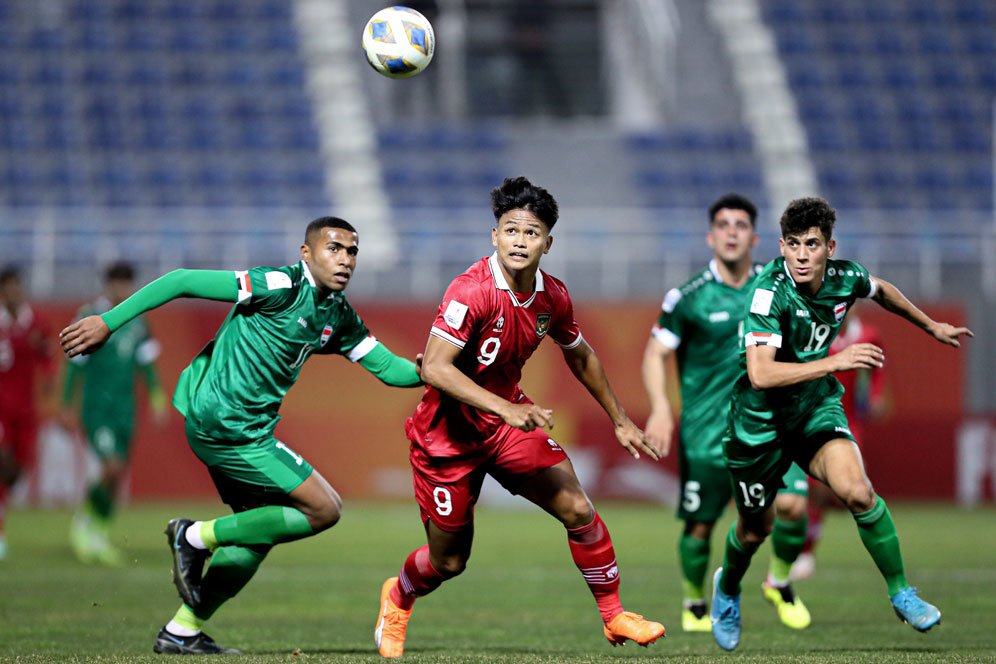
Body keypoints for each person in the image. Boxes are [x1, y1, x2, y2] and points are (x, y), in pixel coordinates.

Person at [59, 217, 424, 655]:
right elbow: (180, 280)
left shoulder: (337, 314)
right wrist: (109, 322)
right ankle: (193, 536)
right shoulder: (279, 284)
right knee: (325, 508)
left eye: (352, 252)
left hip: (241, 427)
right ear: (306, 253)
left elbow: (388, 368)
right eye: (334, 248)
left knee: (255, 534)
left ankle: (182, 631)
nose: (345, 259)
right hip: (227, 424)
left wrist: (430, 371)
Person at [374, 176, 666, 658]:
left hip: (508, 428)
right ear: (495, 236)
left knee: (577, 507)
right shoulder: (470, 291)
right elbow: (436, 368)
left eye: (531, 233)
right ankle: (399, 595)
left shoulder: (553, 296)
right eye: (510, 230)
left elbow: (581, 354)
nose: (519, 241)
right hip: (446, 439)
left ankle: (614, 616)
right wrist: (507, 407)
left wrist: (619, 418)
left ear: (547, 243)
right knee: (448, 562)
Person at [710, 197, 972, 651]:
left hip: (814, 410)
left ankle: (901, 592)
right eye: (793, 245)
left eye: (812, 244)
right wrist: (836, 361)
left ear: (830, 247)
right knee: (755, 530)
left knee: (857, 491)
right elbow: (761, 374)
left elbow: (881, 289)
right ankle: (728, 587)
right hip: (760, 424)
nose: (802, 255)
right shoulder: (769, 293)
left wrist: (931, 326)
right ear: (782, 246)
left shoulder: (844, 276)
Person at [641, 194, 811, 633]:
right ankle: (695, 602)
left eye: (740, 225)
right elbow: (654, 353)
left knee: (792, 505)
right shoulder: (689, 297)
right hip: (706, 434)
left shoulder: (777, 285)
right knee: (701, 525)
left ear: (755, 238)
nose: (732, 231)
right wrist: (661, 409)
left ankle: (779, 581)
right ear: (711, 236)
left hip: (765, 427)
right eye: (723, 224)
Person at [62, 261, 169, 566]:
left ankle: (99, 534)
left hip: (126, 409)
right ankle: (84, 523)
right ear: (107, 284)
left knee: (117, 472)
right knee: (111, 467)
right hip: (97, 408)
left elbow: (145, 364)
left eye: (128, 284)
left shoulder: (137, 320)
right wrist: (68, 405)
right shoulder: (88, 316)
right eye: (118, 284)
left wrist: (158, 398)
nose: (123, 290)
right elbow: (75, 365)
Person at [792, 301, 887, 581]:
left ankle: (892, 573)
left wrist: (875, 395)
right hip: (814, 419)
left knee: (844, 491)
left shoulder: (867, 335)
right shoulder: (815, 334)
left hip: (849, 422)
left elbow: (878, 369)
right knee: (815, 492)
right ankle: (805, 552)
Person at [0, 266, 55, 560]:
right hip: (0, 410)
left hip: (25, 411)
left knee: (17, 470)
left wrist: (47, 377)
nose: (14, 291)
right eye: (8, 286)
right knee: (2, 462)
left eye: (17, 285)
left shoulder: (34, 321)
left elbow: (46, 354)